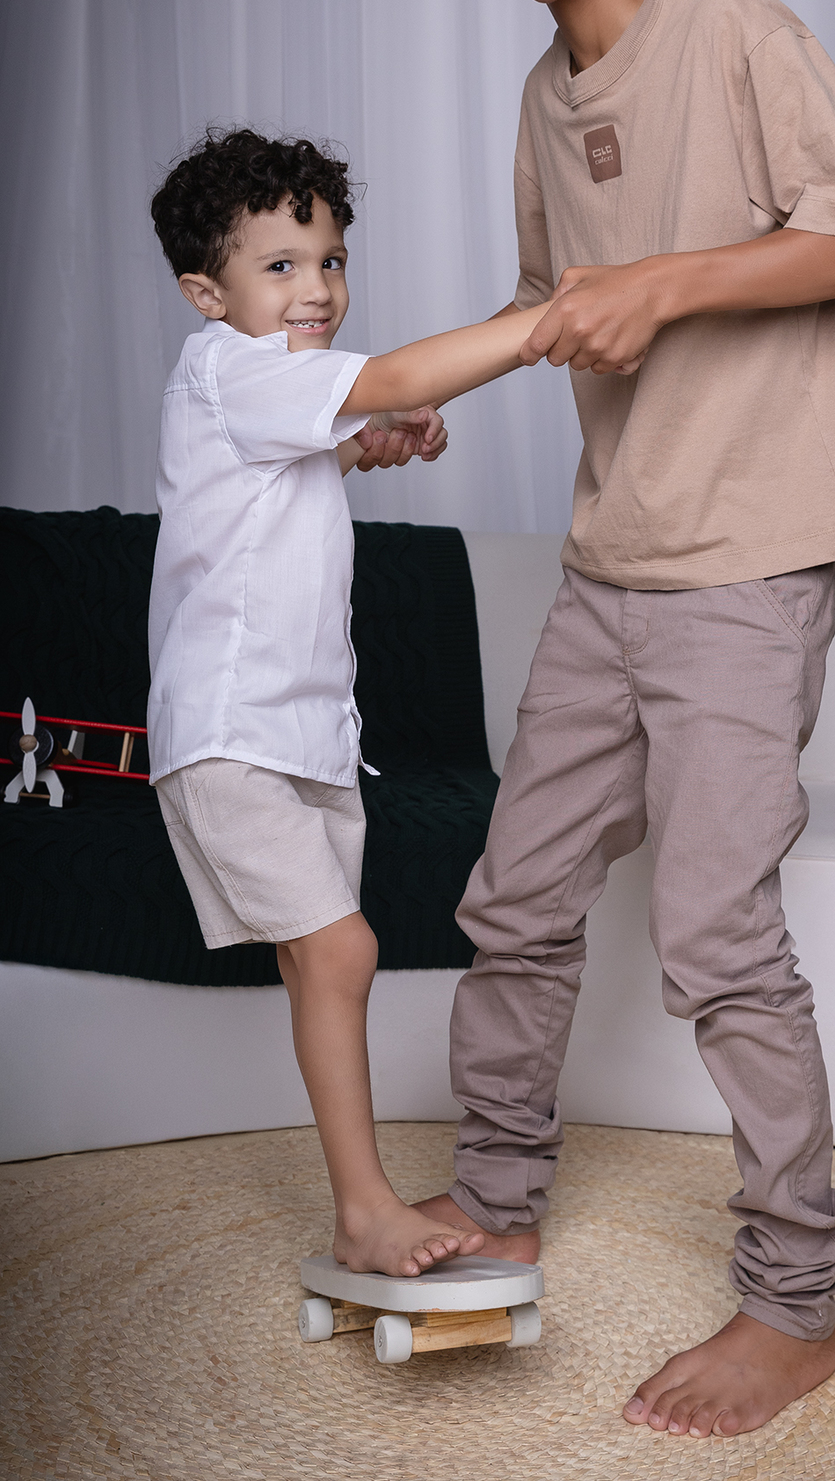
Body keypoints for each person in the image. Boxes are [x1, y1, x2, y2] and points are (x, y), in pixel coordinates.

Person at [397, 0, 835, 1437]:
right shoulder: (540, 102)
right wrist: (424, 402)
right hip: (605, 566)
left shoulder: (736, 32)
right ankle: (498, 1197)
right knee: (517, 899)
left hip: (744, 573)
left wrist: (674, 283)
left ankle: (795, 1300)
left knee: (713, 930)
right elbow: (550, 301)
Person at [146, 127, 573, 1280]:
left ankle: (358, 1199)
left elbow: (278, 479)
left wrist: (360, 445)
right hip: (232, 735)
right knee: (342, 950)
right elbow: (392, 377)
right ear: (207, 293)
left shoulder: (264, 389)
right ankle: (364, 1208)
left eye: (331, 260)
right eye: (281, 266)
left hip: (310, 738)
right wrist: (545, 322)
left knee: (319, 964)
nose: (318, 289)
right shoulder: (227, 367)